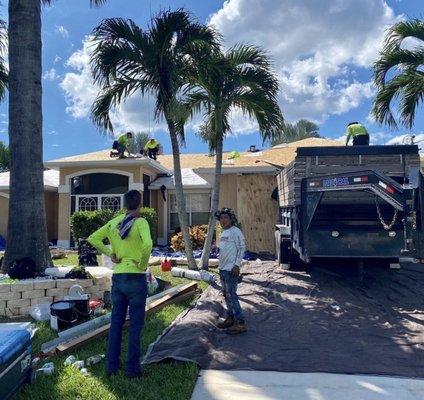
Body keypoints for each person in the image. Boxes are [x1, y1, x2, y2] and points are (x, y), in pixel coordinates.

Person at [88, 190, 152, 378]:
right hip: (135, 278)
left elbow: (93, 238)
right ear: (140, 204)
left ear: (124, 205)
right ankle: (132, 369)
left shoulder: (114, 223)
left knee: (116, 322)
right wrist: (142, 264)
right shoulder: (141, 222)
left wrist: (111, 255)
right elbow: (147, 244)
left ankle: (111, 367)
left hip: (118, 278)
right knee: (135, 325)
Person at [215, 208, 247, 335]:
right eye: (221, 218)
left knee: (232, 295)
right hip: (222, 269)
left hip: (231, 270)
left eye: (226, 217)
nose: (223, 220)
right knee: (226, 294)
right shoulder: (223, 233)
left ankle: (240, 323)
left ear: (231, 219)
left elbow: (242, 247)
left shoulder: (236, 231)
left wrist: (237, 265)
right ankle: (230, 317)